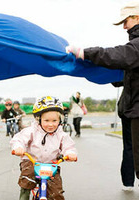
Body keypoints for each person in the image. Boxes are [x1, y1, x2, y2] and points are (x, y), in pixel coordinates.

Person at [66, 1, 139, 181]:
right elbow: (127, 73)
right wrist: (98, 73)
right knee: (132, 153)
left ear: (137, 17)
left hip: (137, 110)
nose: (124, 27)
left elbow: (117, 55)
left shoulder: (136, 45)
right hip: (131, 110)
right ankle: (128, 181)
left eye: (125, 21)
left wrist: (86, 53)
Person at [10, 96, 77, 200]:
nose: (50, 124)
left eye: (54, 120)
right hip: (32, 162)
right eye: (46, 120)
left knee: (56, 193)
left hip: (51, 165)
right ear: (39, 119)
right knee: (27, 179)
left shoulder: (61, 135)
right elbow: (18, 139)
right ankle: (24, 197)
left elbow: (68, 146)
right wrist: (19, 147)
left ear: (59, 120)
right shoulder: (32, 131)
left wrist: (70, 153)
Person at [112, 82, 135, 191]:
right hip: (129, 108)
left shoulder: (129, 65)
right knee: (130, 146)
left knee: (129, 146)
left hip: (128, 108)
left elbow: (115, 81)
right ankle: (128, 181)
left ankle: (128, 182)